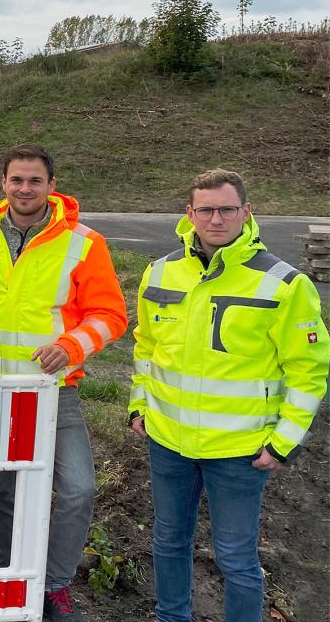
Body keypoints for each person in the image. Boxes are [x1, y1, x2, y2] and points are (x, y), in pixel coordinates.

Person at [129, 169, 327, 622]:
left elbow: (309, 370)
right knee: (168, 542)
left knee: (236, 559)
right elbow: (146, 347)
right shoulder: (159, 272)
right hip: (169, 440)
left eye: (226, 209)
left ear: (246, 212)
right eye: (206, 210)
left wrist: (284, 442)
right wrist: (139, 404)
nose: (216, 219)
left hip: (240, 450)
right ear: (190, 214)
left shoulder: (285, 284)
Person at [0, 144, 127, 622]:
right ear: (3, 184)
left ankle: (53, 584)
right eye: (16, 180)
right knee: (2, 490)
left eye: (34, 181)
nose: (24, 189)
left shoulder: (83, 242)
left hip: (54, 390)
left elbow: (111, 315)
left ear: (52, 186)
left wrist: (70, 347)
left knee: (78, 489)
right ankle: (9, 577)